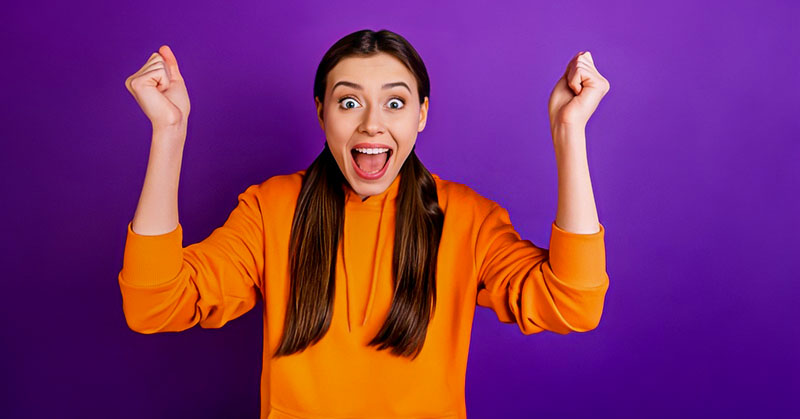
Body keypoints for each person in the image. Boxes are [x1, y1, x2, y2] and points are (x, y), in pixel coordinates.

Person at [119, 29, 611, 419]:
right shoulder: (272, 209)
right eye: (349, 102)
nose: (371, 124)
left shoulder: (466, 217)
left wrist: (570, 133)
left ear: (421, 115)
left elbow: (572, 304)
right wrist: (169, 131)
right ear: (321, 114)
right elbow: (155, 305)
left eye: (395, 103)